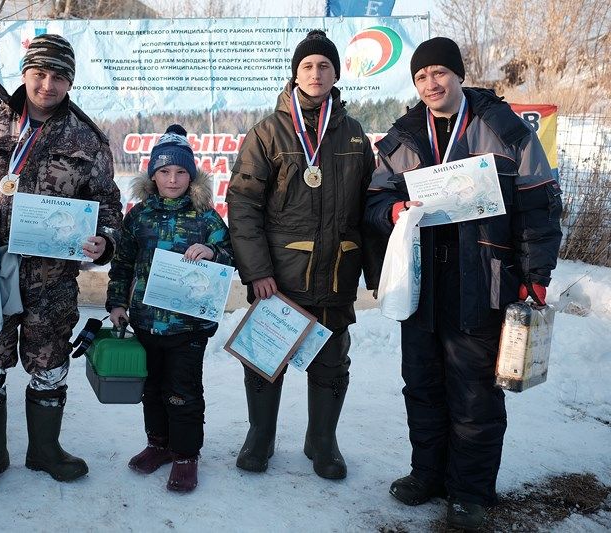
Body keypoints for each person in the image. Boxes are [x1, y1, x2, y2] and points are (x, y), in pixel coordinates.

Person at [364, 37, 562, 530]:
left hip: (485, 280)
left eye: (439, 73)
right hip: (421, 283)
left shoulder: (504, 128)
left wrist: (535, 277)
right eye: (421, 77)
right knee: (423, 384)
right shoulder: (405, 135)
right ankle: (426, 475)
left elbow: (539, 204)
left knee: (474, 393)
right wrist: (392, 210)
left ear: (458, 74)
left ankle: (470, 491)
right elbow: (372, 202)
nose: (431, 84)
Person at [0, 34, 122, 493]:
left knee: (50, 360)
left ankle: (45, 450)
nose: (47, 85)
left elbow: (108, 204)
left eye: (59, 77)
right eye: (40, 74)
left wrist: (105, 240)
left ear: (70, 82)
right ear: (25, 74)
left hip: (52, 278)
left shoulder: (87, 140)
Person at [226, 30, 383, 480]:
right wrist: (256, 271)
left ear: (336, 74)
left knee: (331, 363)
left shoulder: (354, 135)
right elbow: (243, 204)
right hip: (279, 278)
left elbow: (369, 207)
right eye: (308, 66)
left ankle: (322, 440)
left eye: (325, 66)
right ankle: (261, 435)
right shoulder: (268, 132)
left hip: (335, 275)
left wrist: (375, 273)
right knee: (265, 360)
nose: (316, 74)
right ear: (295, 74)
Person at [106, 124, 234, 493]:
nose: (173, 179)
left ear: (191, 175)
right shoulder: (139, 215)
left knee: (183, 391)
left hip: (188, 326)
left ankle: (185, 456)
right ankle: (158, 445)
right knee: (153, 388)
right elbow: (124, 263)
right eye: (164, 171)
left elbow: (230, 256)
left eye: (180, 172)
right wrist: (116, 302)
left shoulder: (206, 217)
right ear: (153, 174)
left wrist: (213, 252)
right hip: (146, 322)